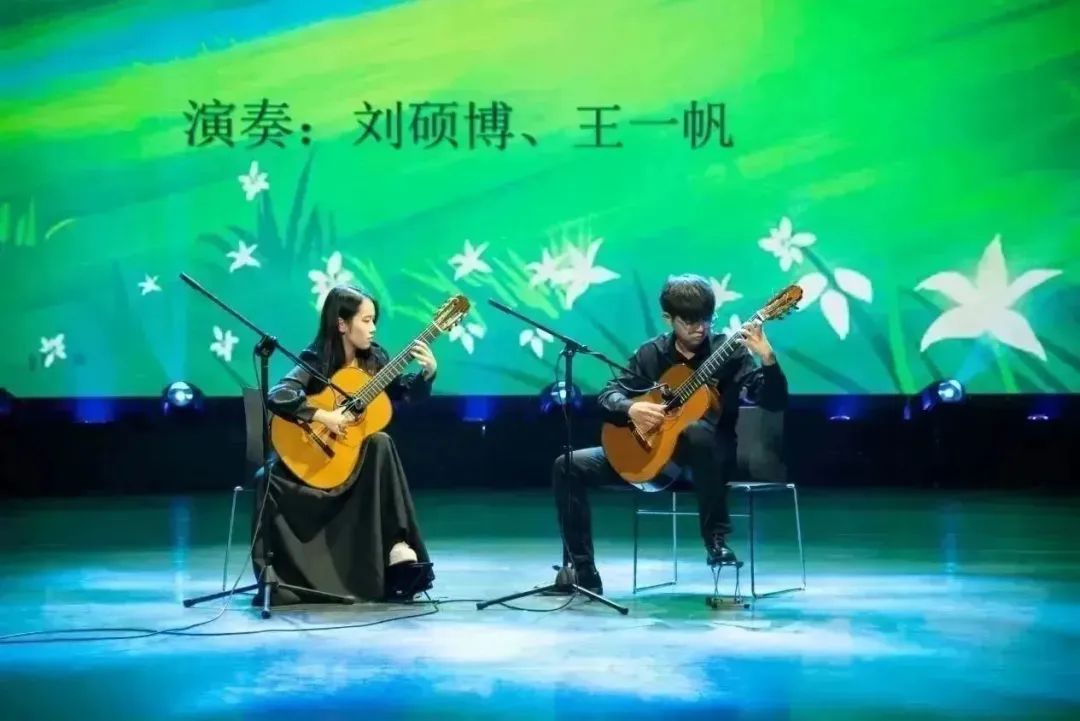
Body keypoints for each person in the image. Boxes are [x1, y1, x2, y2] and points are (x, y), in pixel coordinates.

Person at [552, 274, 789, 594]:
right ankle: (583, 573)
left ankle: (716, 540)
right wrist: (631, 408)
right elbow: (608, 394)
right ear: (668, 318)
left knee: (695, 431)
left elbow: (774, 402)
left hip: (708, 465)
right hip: (653, 459)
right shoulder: (652, 353)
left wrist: (768, 360)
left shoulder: (731, 353)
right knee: (567, 465)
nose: (699, 328)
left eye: (705, 319)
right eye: (689, 321)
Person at [253, 284, 438, 605]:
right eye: (366, 320)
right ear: (341, 323)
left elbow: (404, 394)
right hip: (319, 462)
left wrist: (427, 374)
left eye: (374, 320)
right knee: (266, 477)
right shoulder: (316, 358)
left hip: (356, 466)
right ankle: (293, 578)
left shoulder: (376, 358)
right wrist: (323, 416)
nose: (373, 328)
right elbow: (279, 395)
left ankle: (398, 545)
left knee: (380, 441)